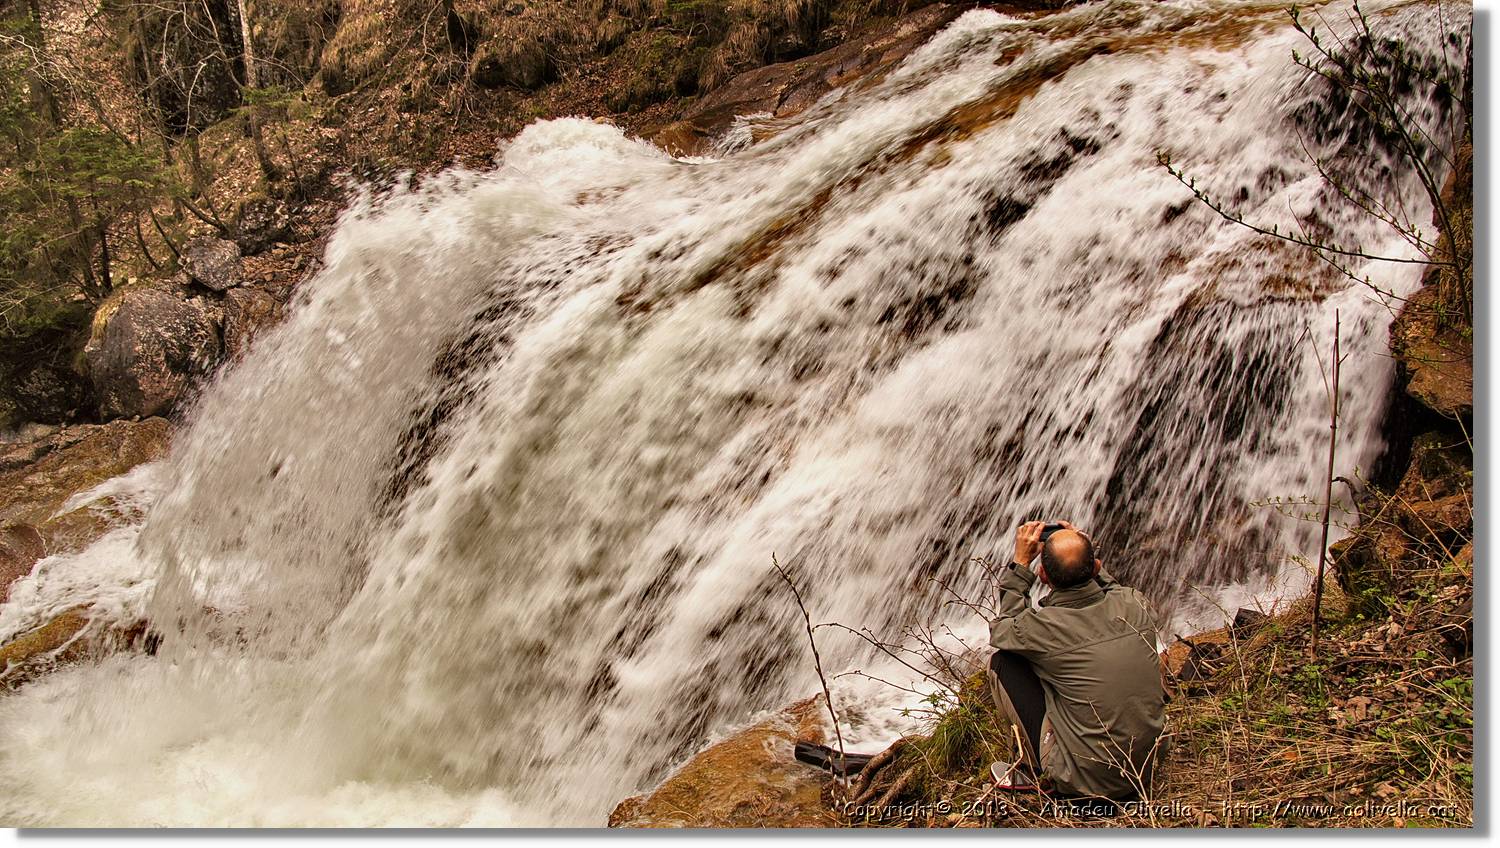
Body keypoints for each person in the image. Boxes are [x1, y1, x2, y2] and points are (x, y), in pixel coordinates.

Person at [986, 520, 1165, 804]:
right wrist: (1080, 546)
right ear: (1096, 567)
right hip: (1147, 767)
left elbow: (1003, 629)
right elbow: (1112, 590)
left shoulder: (1041, 629)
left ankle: (1037, 771)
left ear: (1042, 575)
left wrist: (1021, 562)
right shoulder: (1135, 603)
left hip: (1082, 781)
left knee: (1004, 662)